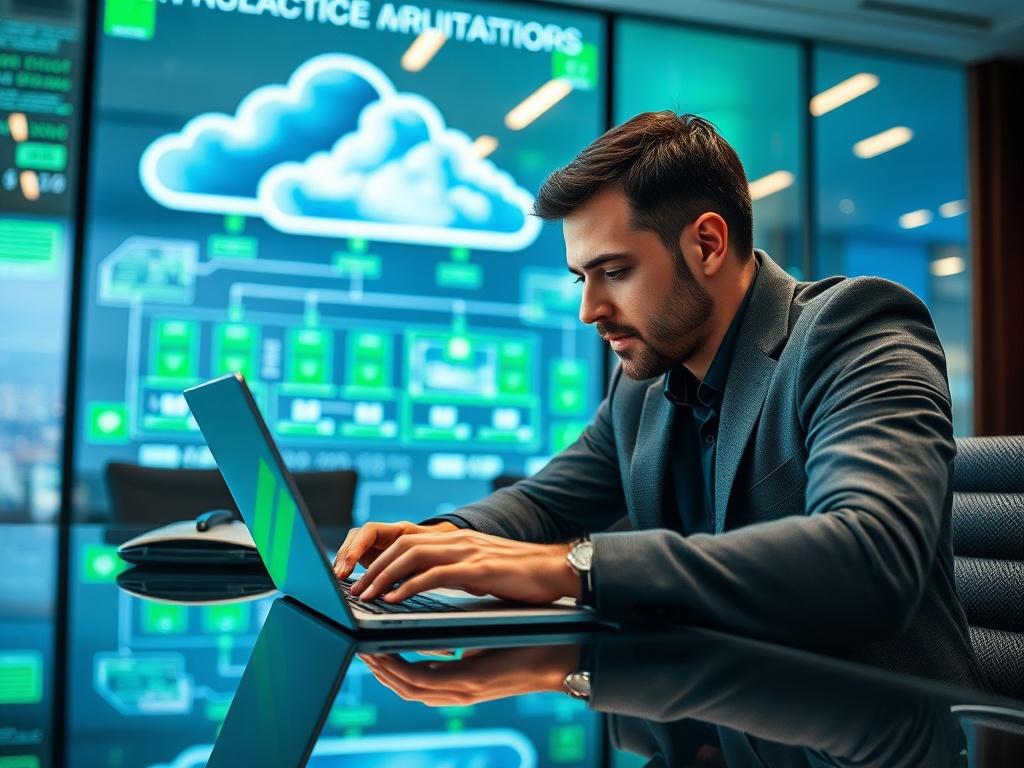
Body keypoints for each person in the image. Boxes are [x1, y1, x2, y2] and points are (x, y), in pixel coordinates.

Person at [334, 111, 984, 687]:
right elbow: (544, 503)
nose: (590, 310)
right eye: (581, 278)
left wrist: (577, 569)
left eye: (615, 272)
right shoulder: (642, 382)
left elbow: (870, 559)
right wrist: (442, 540)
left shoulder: (854, 329)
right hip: (712, 704)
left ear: (706, 244)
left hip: (866, 727)